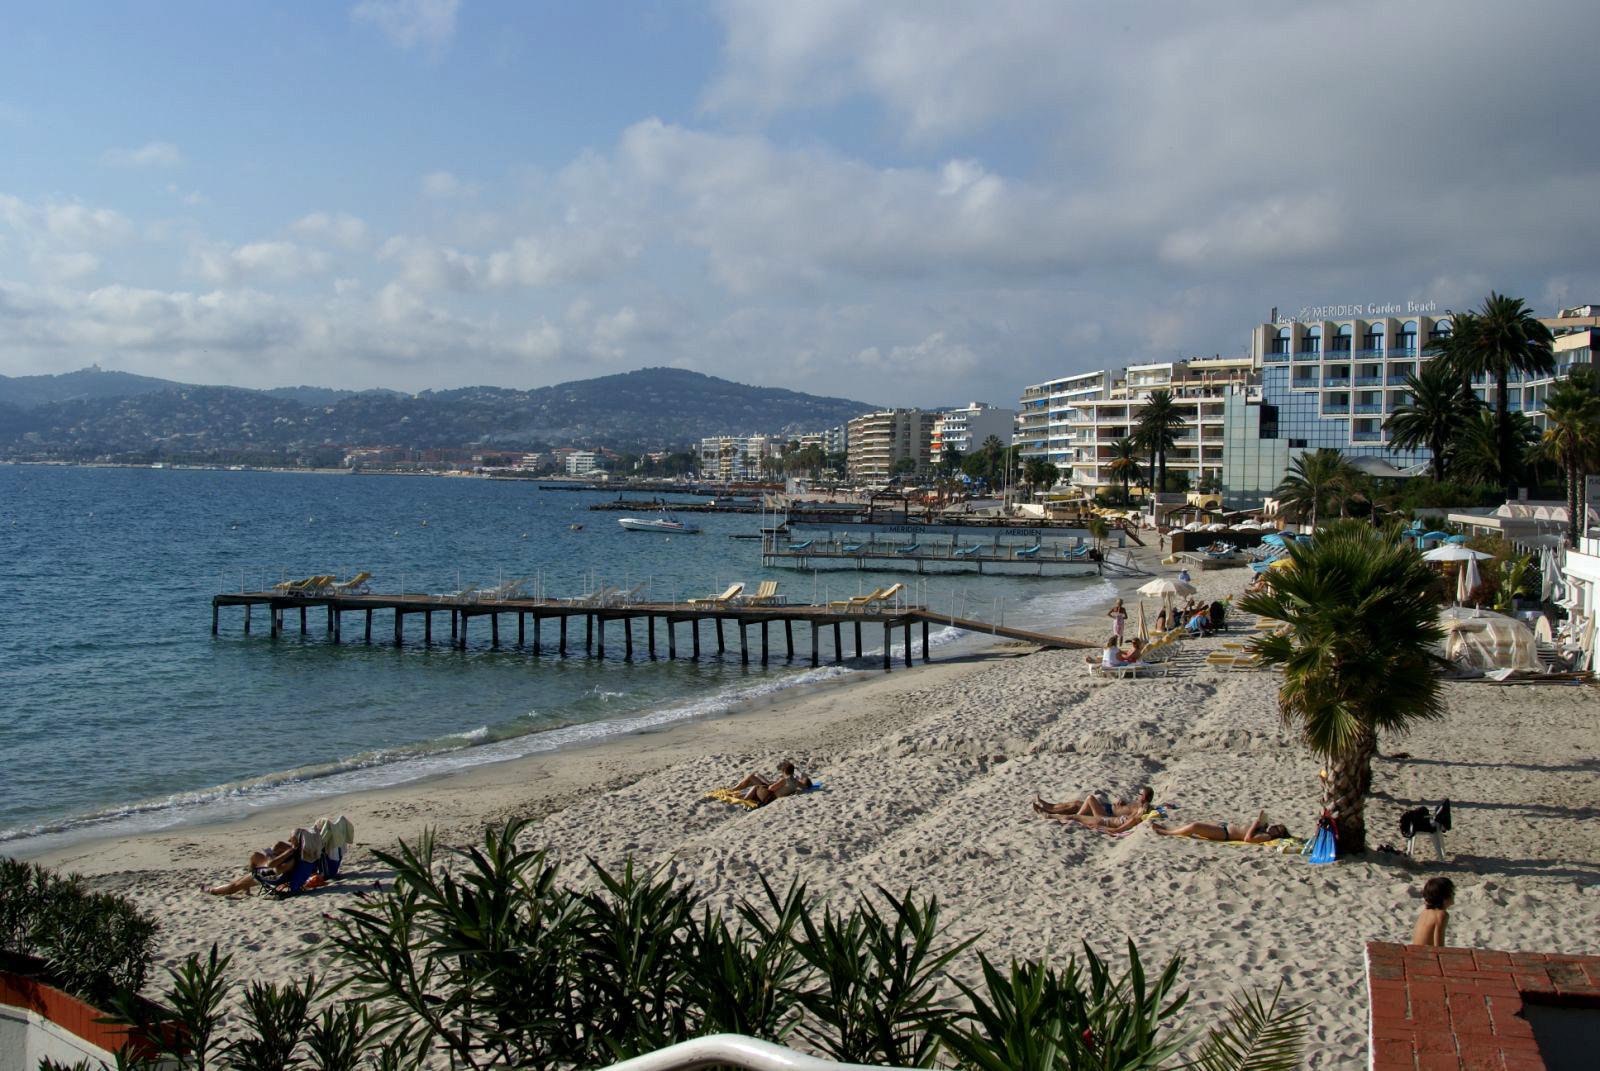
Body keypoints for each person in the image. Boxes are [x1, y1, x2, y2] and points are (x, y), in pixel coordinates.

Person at [1149, 810, 1288, 844]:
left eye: (1274, 828)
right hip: (1225, 827)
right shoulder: (1265, 830)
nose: (1271, 828)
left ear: (1276, 833)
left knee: (1195, 826)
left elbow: (1248, 838)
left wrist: (1256, 824)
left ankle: (1167, 833)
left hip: (1225, 833)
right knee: (1195, 825)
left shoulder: (1266, 836)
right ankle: (1171, 830)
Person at [729, 759, 812, 806]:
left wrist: (772, 784)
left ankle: (741, 797)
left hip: (769, 796)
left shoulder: (785, 780)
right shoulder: (796, 782)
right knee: (756, 778)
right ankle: (736, 794)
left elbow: (771, 788)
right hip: (772, 795)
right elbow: (804, 786)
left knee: (754, 784)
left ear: (784, 771)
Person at [1034, 786, 1154, 818]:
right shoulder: (1136, 803)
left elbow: (1145, 809)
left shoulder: (1143, 805)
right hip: (1108, 807)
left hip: (1107, 813)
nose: (1137, 795)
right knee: (1076, 802)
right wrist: (1122, 803)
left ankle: (1049, 811)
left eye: (1140, 794)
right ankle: (1050, 806)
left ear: (1144, 797)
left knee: (1076, 806)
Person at [1410, 877, 1454, 946]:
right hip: (1426, 955)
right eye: (1452, 892)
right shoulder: (1441, 914)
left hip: (1416, 953)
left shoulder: (1425, 912)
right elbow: (1439, 947)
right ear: (1445, 896)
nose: (1454, 894)